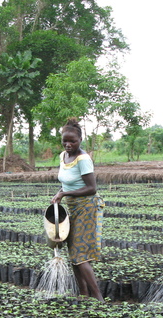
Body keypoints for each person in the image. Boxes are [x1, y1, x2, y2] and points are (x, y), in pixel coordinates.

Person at [51, 118, 105, 301]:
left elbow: (91, 188)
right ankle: (83, 294)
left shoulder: (83, 159)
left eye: (72, 141)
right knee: (72, 251)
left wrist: (64, 194)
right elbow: (66, 182)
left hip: (87, 206)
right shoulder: (62, 156)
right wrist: (59, 194)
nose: (68, 145)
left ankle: (98, 297)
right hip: (72, 208)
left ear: (80, 140)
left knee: (80, 253)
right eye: (65, 141)